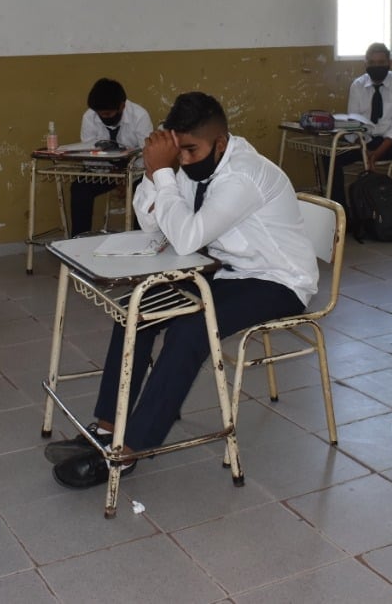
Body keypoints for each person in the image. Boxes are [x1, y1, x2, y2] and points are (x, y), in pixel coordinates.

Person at [46, 91, 319, 488]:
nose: (186, 160)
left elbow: (188, 236)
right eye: (180, 151)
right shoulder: (195, 167)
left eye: (191, 151)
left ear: (220, 144)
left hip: (278, 280)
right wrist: (156, 174)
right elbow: (154, 224)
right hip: (225, 270)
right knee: (137, 310)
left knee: (190, 330)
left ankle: (130, 449)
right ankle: (106, 427)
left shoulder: (241, 175)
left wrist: (164, 175)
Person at [328, 43, 392, 207]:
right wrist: (366, 151)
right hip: (364, 140)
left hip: (391, 141)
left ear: (389, 63)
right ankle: (342, 214)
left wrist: (376, 155)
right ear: (365, 64)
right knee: (330, 156)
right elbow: (355, 122)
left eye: (381, 63)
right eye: (372, 63)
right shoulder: (358, 85)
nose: (376, 66)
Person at [68, 78, 154, 236]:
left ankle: (141, 238)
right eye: (100, 114)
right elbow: (89, 155)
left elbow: (147, 153)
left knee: (147, 191)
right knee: (79, 188)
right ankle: (78, 240)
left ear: (122, 106)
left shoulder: (139, 116)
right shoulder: (90, 116)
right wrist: (114, 177)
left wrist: (128, 176)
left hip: (136, 171)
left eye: (107, 114)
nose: (103, 117)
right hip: (103, 171)